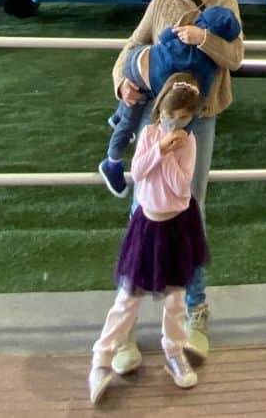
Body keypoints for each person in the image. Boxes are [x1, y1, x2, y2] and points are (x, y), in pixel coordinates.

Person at [106, 0, 243, 372]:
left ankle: (194, 312)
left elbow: (235, 58)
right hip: (156, 115)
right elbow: (132, 46)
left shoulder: (228, 5)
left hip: (200, 118)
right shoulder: (164, 0)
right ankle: (123, 326)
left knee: (190, 207)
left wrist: (203, 37)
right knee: (142, 210)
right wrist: (122, 83)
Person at [89, 73, 209, 405]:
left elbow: (182, 188)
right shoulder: (148, 134)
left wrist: (170, 154)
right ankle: (101, 357)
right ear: (161, 111)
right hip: (147, 227)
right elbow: (139, 171)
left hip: (177, 228)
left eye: (184, 118)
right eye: (172, 116)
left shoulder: (190, 143)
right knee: (128, 297)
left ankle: (173, 350)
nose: (176, 124)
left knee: (175, 299)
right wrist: (159, 148)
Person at [99, 3, 242, 187]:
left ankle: (119, 118)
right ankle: (112, 162)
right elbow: (199, 99)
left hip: (146, 67)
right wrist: (120, 84)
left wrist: (202, 38)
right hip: (151, 84)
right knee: (129, 123)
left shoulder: (191, 29)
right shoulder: (206, 66)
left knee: (130, 116)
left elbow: (164, 36)